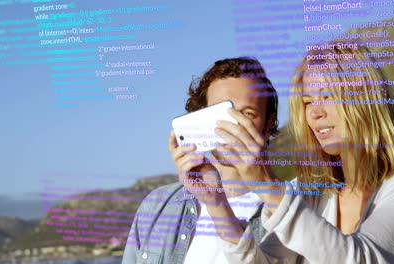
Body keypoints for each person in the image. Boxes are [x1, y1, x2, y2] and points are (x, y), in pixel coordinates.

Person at [209, 43, 394, 263]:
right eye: (308, 102)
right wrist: (215, 201)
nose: (315, 112)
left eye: (327, 96)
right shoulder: (311, 193)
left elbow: (361, 259)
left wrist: (267, 185)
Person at [121, 57, 285, 264]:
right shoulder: (157, 206)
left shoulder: (291, 211)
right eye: (221, 113)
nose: (231, 125)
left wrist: (217, 202)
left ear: (269, 123)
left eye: (247, 114)